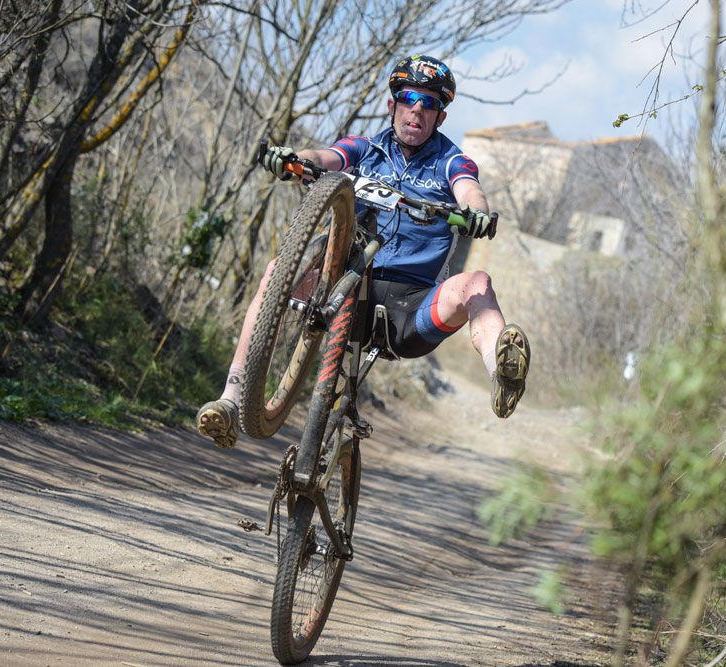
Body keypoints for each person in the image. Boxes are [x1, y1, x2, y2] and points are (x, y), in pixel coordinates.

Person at [196, 54, 531, 449]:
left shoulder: (450, 161)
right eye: (409, 98)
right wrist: (294, 160)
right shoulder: (364, 149)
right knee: (275, 272)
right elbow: (325, 158)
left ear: (440, 117)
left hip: (408, 311)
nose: (417, 111)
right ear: (393, 105)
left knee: (477, 283)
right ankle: (232, 400)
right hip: (341, 289)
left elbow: (468, 187)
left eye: (430, 104)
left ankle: (502, 374)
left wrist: (475, 210)